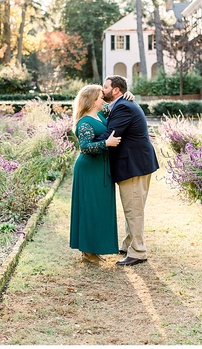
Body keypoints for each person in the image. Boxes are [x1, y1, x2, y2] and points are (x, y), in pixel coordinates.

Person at [95, 75, 159, 267]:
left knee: (134, 209)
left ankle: (138, 252)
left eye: (105, 87)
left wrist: (87, 137)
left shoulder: (123, 106)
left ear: (116, 90)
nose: (102, 90)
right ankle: (129, 244)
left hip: (134, 166)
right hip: (137, 164)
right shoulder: (121, 103)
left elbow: (110, 135)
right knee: (133, 207)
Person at [69, 84, 122, 263]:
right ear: (92, 101)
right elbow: (84, 147)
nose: (103, 99)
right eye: (100, 97)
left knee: (100, 207)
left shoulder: (100, 114)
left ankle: (94, 248)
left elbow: (116, 105)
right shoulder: (84, 122)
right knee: (89, 208)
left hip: (101, 167)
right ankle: (88, 251)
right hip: (89, 169)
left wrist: (127, 94)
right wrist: (106, 144)